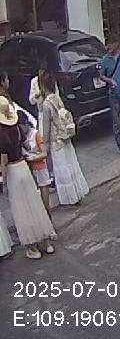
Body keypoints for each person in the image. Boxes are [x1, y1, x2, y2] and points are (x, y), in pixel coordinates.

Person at [0, 90, 57, 259]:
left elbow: (4, 160)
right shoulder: (18, 129)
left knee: (22, 209)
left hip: (12, 171)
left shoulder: (1, 134)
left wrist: (3, 181)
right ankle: (46, 241)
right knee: (35, 204)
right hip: (23, 167)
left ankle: (32, 247)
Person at [32, 71, 89, 208]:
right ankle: (77, 194)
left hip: (55, 142)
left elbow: (46, 129)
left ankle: (69, 199)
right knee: (71, 166)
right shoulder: (57, 99)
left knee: (62, 170)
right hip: (65, 138)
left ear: (42, 86)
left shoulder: (46, 104)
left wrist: (44, 147)